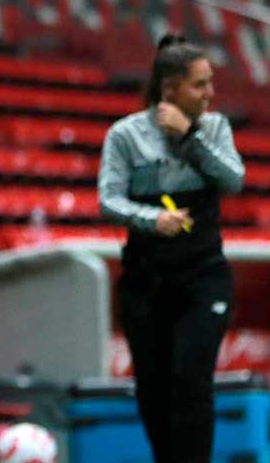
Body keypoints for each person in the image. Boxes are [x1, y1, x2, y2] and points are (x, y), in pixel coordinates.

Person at [99, 33, 244, 463]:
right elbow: (108, 200)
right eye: (200, 85)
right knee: (154, 387)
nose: (210, 93)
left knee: (192, 378)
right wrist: (151, 219)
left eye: (210, 83)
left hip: (204, 276)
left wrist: (191, 136)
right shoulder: (125, 136)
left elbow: (234, 180)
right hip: (146, 281)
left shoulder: (214, 127)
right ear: (170, 88)